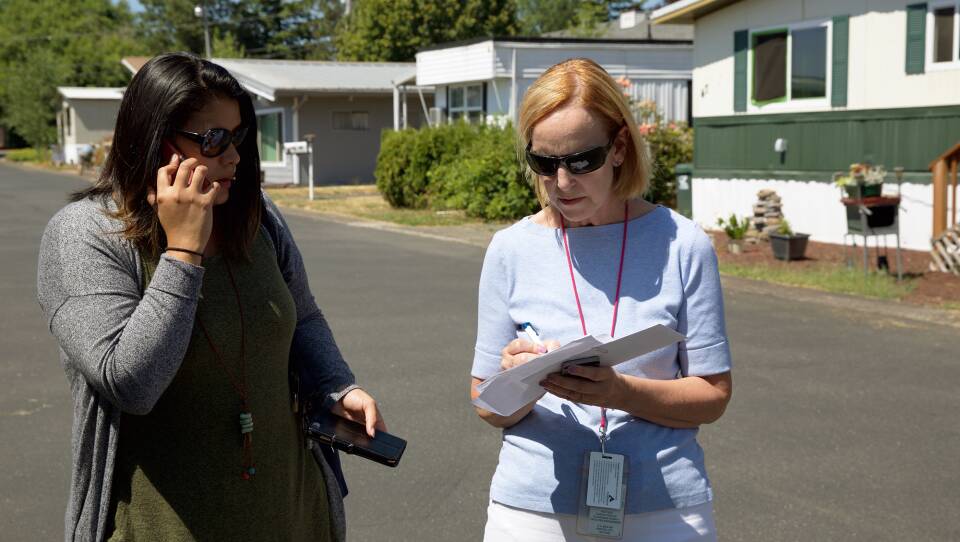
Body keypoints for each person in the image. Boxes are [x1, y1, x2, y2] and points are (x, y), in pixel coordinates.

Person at [37, 52, 385, 542]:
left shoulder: (256, 215)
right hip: (161, 526)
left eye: (238, 135)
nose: (234, 156)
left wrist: (338, 386)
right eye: (214, 139)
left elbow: (302, 316)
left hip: (291, 512)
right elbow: (132, 385)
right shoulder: (85, 235)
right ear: (154, 138)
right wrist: (183, 252)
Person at [470, 58, 733, 541]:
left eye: (580, 161)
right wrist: (517, 379)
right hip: (532, 512)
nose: (562, 183)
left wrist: (618, 392)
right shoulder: (510, 249)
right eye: (544, 163)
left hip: (664, 508)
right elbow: (486, 406)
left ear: (618, 148)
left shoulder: (682, 243)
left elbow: (712, 396)